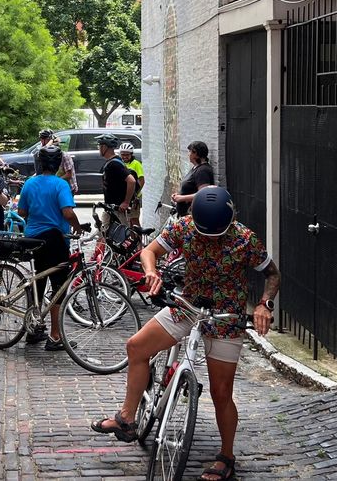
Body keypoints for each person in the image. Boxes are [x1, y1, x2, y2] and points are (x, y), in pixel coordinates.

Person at [91, 186, 281, 481]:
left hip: (225, 318)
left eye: (216, 235)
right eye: (205, 235)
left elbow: (272, 273)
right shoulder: (184, 227)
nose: (209, 240)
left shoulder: (245, 239)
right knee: (136, 347)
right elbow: (150, 251)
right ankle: (127, 418)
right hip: (186, 305)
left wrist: (264, 304)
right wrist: (151, 271)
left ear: (231, 221)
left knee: (221, 394)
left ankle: (226, 456)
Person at [17, 145, 85, 351]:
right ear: (57, 164)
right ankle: (55, 336)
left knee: (38, 281)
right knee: (59, 287)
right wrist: (78, 227)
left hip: (33, 239)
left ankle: (33, 329)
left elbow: (21, 211)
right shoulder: (60, 184)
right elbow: (67, 212)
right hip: (55, 240)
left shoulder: (30, 183)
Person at [97, 133, 136, 223]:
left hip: (117, 210)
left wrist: (126, 202)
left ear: (104, 147)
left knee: (118, 235)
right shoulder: (112, 162)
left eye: (99, 146)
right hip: (110, 209)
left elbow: (132, 181)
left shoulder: (115, 164)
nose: (99, 149)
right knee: (103, 234)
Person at [172, 140, 215, 216]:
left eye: (190, 152)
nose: (188, 154)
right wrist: (178, 195)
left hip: (193, 216)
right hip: (186, 215)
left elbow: (204, 194)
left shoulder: (202, 171)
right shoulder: (196, 168)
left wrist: (181, 198)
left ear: (196, 154)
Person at [117, 142, 145, 227]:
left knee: (134, 220)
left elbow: (141, 181)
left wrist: (135, 193)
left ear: (131, 154)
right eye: (123, 154)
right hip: (122, 197)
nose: (125, 157)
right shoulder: (119, 163)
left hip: (134, 198)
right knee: (124, 220)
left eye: (127, 155)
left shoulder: (136, 164)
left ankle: (138, 240)